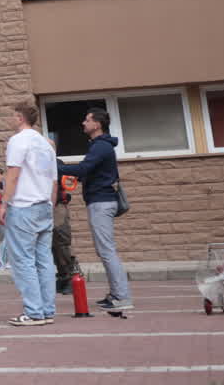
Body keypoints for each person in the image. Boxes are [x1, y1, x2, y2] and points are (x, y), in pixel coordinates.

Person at [57, 106, 133, 313]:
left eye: (87, 120)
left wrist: (55, 166)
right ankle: (116, 294)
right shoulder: (99, 146)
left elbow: (83, 168)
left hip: (101, 202)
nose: (84, 123)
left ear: (97, 124)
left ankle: (122, 297)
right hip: (99, 202)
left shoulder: (101, 146)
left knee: (106, 250)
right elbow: (86, 173)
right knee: (104, 250)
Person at [2, 100, 58, 327]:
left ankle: (34, 312)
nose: (11, 119)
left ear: (20, 118)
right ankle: (47, 310)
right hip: (44, 204)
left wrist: (4, 203)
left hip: (24, 206)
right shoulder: (47, 144)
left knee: (23, 261)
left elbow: (13, 174)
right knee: (44, 260)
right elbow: (54, 181)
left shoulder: (18, 140)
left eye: (13, 115)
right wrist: (51, 205)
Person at [52, 174, 80, 294]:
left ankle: (71, 278)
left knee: (62, 242)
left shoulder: (54, 165)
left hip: (57, 205)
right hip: (42, 206)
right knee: (52, 245)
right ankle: (63, 277)